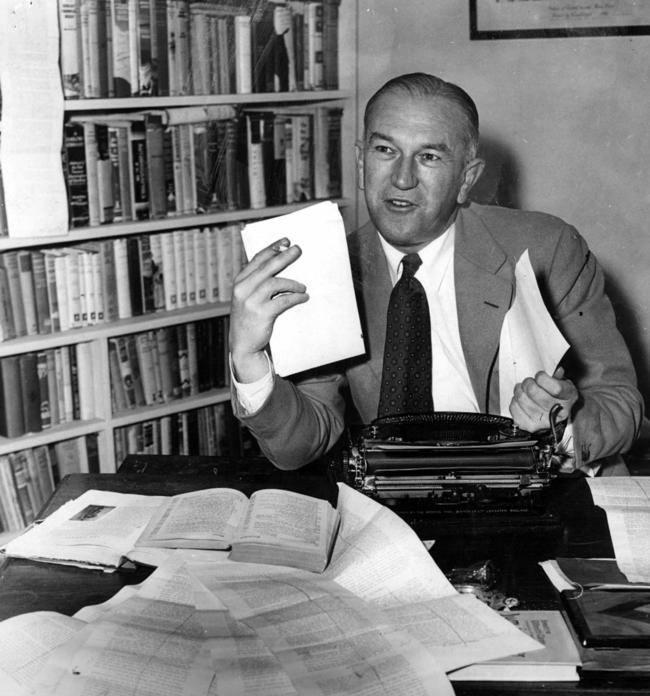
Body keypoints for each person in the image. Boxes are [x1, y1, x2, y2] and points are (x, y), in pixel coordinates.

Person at [228, 72, 643, 473]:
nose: (402, 178)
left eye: (428, 156)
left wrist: (561, 425)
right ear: (360, 163)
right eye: (385, 151)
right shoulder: (331, 266)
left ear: (467, 179)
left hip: (543, 485)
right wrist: (248, 360)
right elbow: (302, 443)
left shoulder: (546, 249)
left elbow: (623, 404)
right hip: (401, 497)